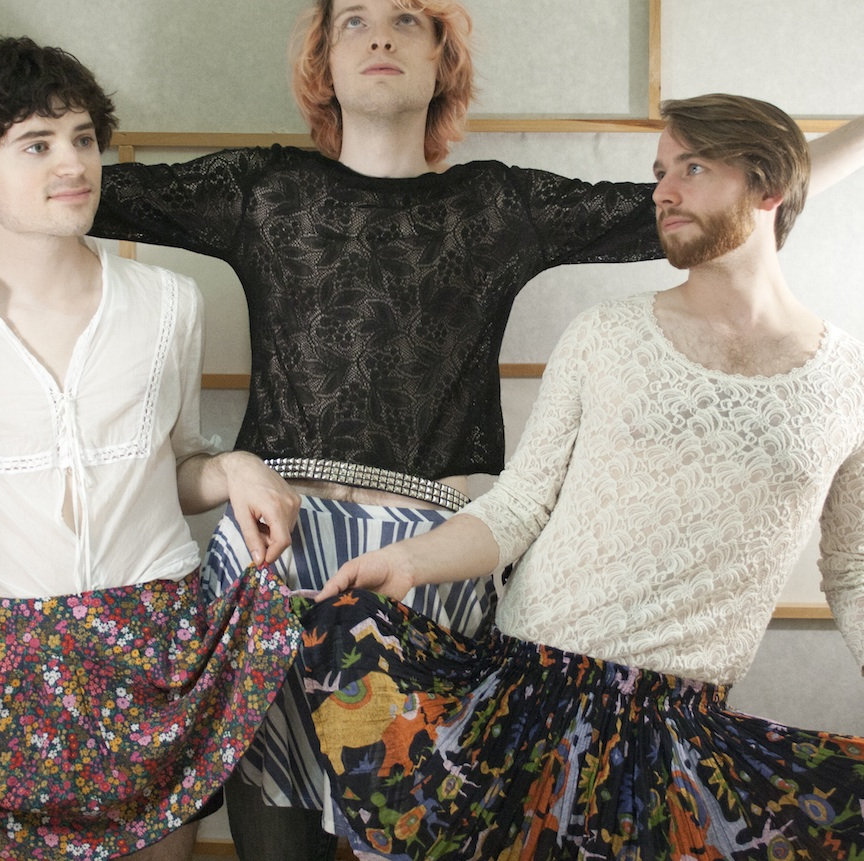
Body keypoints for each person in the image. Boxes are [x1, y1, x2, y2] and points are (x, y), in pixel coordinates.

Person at [0, 0, 864, 861]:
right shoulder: (261, 188)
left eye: (406, 21)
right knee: (274, 839)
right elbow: (31, 172)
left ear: (441, 60)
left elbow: (727, 196)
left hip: (437, 551)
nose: (379, 37)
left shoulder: (501, 202)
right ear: (325, 62)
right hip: (277, 551)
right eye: (353, 21)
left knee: (419, 839)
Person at [299, 92, 864, 860]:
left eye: (693, 168)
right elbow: (518, 507)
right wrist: (406, 562)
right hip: (526, 697)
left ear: (770, 185)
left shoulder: (847, 380)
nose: (663, 191)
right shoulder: (605, 334)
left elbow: (854, 569)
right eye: (660, 171)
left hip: (680, 734)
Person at [0, 35, 303, 861]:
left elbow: (173, 469)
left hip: (161, 654)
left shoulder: (170, 304)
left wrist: (233, 467)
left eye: (83, 138)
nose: (73, 162)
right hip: (26, 664)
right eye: (37, 144)